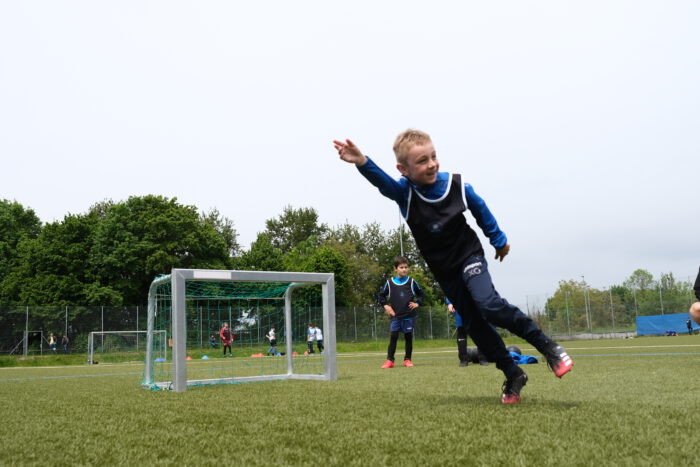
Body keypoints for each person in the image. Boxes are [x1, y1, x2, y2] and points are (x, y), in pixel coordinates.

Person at [334, 129, 573, 403]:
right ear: (404, 169)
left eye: (433, 156)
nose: (432, 164)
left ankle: (548, 347)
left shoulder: (455, 185)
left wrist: (499, 239)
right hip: (445, 273)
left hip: (470, 257)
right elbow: (383, 182)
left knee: (489, 304)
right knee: (474, 325)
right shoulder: (405, 194)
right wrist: (362, 161)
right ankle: (513, 373)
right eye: (422, 161)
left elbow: (479, 207)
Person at [378, 256, 424, 368]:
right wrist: (386, 306)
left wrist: (417, 303)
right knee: (393, 337)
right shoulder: (390, 283)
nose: (404, 269)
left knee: (408, 338)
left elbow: (421, 294)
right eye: (401, 267)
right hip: (395, 316)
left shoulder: (411, 282)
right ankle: (390, 361)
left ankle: (407, 360)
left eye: (406, 267)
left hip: (408, 315)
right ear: (395, 269)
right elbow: (381, 295)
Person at [447, 298, 469, 367]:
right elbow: (450, 290)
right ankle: (463, 359)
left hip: (475, 308)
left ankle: (483, 358)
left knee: (480, 332)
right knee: (461, 333)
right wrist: (450, 303)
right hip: (460, 308)